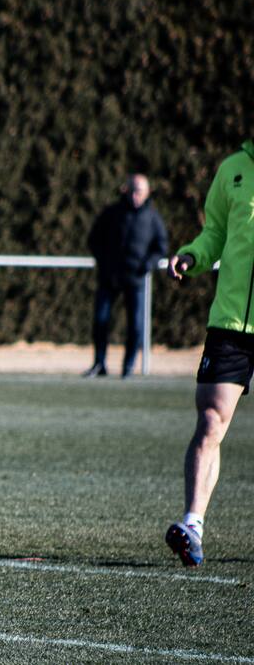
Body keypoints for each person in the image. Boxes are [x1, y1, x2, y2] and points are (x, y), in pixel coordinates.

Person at [164, 140, 254, 567]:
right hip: (231, 324)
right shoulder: (233, 168)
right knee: (211, 420)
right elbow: (215, 233)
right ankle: (193, 525)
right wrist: (192, 256)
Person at [83, 173, 167, 378]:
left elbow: (161, 247)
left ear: (147, 193)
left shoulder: (153, 218)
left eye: (140, 191)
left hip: (135, 279)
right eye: (132, 190)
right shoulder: (112, 213)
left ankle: (128, 367)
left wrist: (147, 265)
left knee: (135, 325)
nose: (135, 195)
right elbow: (94, 239)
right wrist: (104, 262)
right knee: (101, 321)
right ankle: (99, 363)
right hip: (109, 278)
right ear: (125, 190)